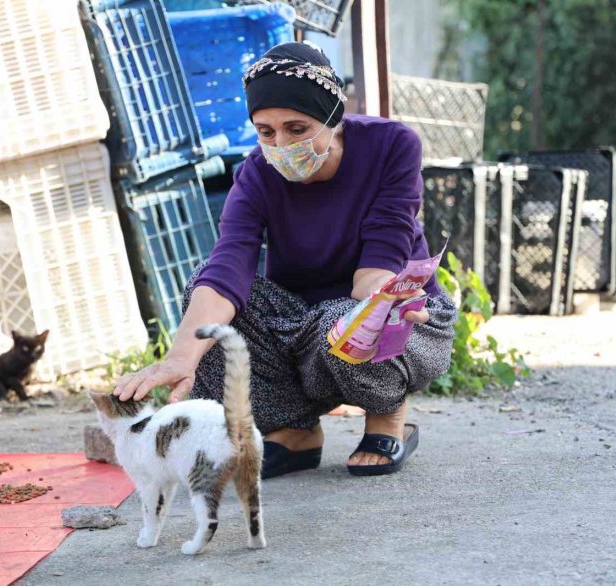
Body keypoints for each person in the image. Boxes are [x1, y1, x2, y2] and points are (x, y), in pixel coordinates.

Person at [114, 42, 457, 478]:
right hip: (303, 324)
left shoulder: (391, 145)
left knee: (344, 321)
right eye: (266, 131)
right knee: (208, 299)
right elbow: (228, 265)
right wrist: (182, 356)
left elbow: (386, 246)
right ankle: (294, 430)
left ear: (333, 118)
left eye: (297, 128)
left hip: (401, 316)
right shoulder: (256, 173)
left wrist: (381, 303)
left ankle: (387, 415)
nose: (281, 144)